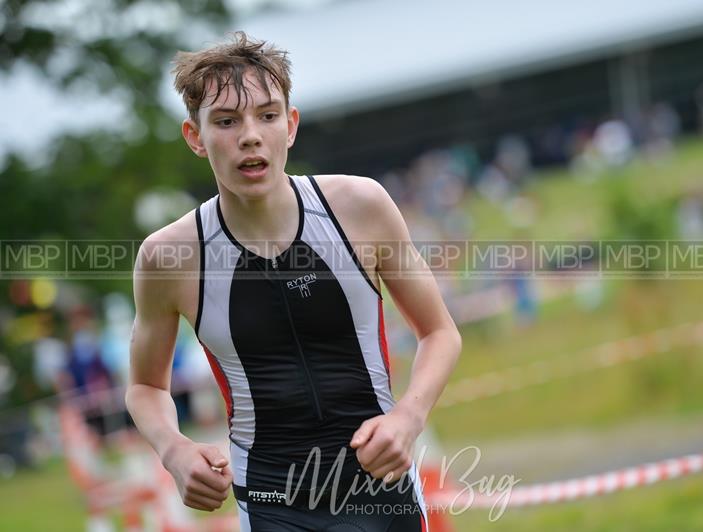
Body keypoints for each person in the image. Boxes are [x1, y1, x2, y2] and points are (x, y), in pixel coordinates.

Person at [126, 31, 461, 531]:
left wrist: (408, 418)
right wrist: (174, 450)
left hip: (381, 494)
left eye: (267, 114)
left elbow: (440, 332)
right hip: (269, 503)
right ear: (195, 136)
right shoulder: (169, 256)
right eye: (225, 121)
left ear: (291, 125)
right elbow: (145, 385)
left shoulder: (359, 208)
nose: (250, 135)